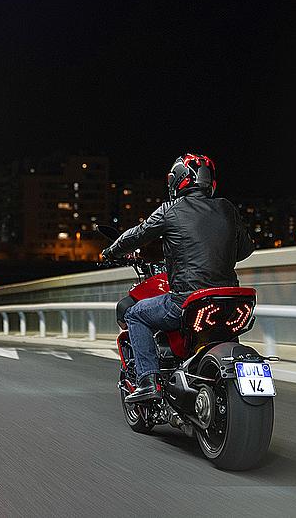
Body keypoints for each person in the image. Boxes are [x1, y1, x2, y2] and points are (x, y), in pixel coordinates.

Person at [101, 154, 255, 403]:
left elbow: (137, 235)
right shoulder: (227, 208)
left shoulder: (171, 210)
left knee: (135, 314)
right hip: (231, 301)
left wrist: (110, 251)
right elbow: (245, 249)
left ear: (179, 180)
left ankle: (148, 381)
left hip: (186, 300)